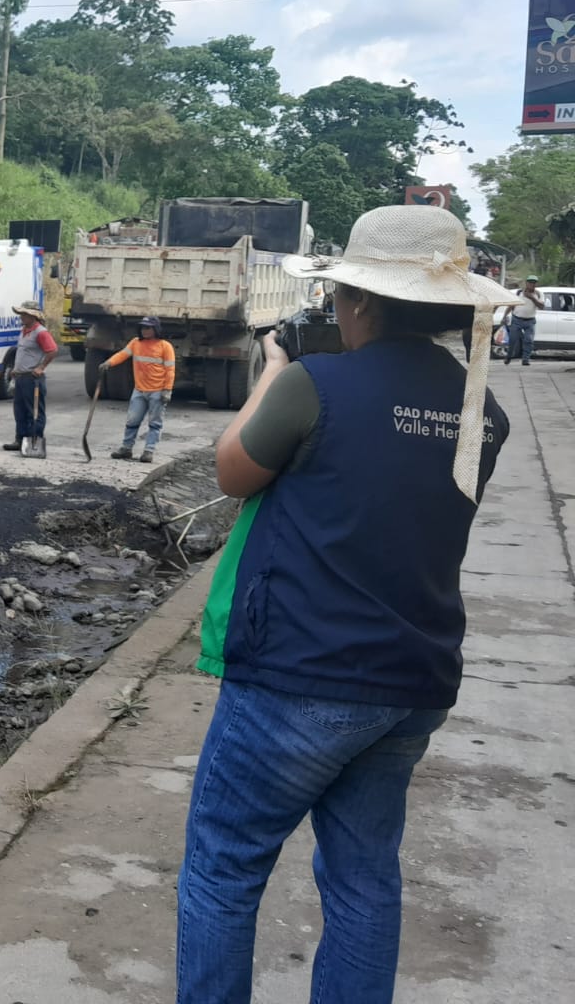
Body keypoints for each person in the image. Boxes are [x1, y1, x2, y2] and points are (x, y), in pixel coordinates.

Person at [177, 206, 518, 1004]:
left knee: (224, 869)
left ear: (356, 300)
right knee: (364, 881)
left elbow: (232, 472)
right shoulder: (483, 411)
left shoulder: (313, 384)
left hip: (300, 678)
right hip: (412, 684)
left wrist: (274, 366)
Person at [105, 315, 176, 463]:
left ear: (156, 329)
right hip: (139, 390)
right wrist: (108, 363)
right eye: (143, 327)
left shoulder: (165, 346)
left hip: (157, 391)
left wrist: (167, 390)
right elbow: (122, 355)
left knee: (155, 423)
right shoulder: (135, 343)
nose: (144, 330)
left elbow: (170, 370)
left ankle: (149, 451)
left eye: (148, 328)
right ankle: (126, 448)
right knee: (132, 420)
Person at [2, 301, 57, 456]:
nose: (21, 317)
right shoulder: (24, 330)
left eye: (24, 314)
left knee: (34, 412)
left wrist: (41, 367)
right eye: (21, 314)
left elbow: (52, 350)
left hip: (32, 379)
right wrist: (16, 369)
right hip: (21, 377)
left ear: (33, 316)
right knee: (19, 411)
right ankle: (20, 440)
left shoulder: (41, 332)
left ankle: (34, 442)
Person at [505, 275, 543, 365]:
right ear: (526, 283)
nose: (532, 284)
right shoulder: (519, 293)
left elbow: (541, 306)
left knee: (529, 340)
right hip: (516, 320)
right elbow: (511, 305)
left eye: (534, 282)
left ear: (536, 284)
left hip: (530, 321)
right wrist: (504, 316)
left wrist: (532, 297)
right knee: (513, 340)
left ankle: (525, 359)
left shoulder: (538, 294)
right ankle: (508, 357)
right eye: (530, 282)